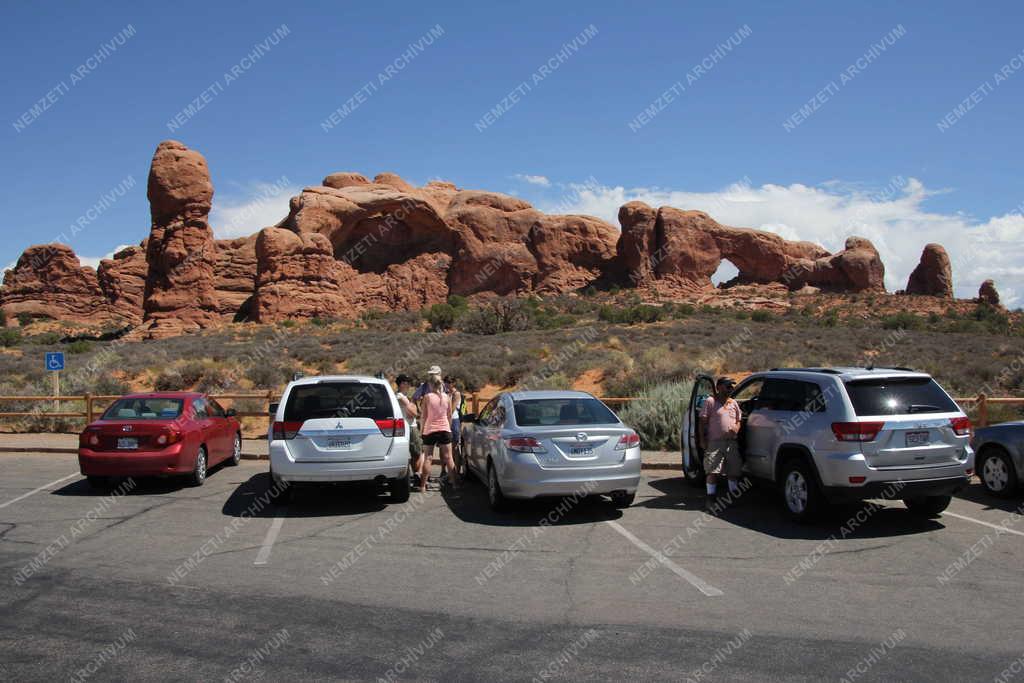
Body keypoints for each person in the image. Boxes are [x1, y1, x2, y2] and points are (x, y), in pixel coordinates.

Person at [699, 376, 743, 509]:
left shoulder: (733, 403)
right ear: (719, 387)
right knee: (712, 470)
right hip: (715, 442)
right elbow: (702, 421)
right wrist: (702, 439)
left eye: (732, 386)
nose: (731, 388)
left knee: (733, 471)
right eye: (728, 386)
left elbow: (738, 420)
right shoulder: (711, 401)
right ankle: (711, 499)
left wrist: (736, 428)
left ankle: (732, 498)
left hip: (731, 443)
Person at [416, 368, 458, 494]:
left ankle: (423, 486)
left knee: (428, 458)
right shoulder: (447, 397)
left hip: (430, 430)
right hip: (444, 429)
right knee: (449, 458)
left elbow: (424, 415)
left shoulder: (427, 397)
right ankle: (455, 484)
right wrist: (448, 427)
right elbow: (449, 415)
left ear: (430, 384)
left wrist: (422, 430)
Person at [395, 374, 421, 488]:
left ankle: (416, 475)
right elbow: (414, 412)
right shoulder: (400, 396)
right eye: (406, 383)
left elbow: (413, 410)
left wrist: (413, 408)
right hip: (408, 427)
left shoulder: (405, 396)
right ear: (401, 384)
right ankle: (415, 475)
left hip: (410, 425)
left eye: (409, 383)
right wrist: (413, 408)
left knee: (416, 453)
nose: (408, 385)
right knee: (416, 452)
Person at [444, 375, 464, 474]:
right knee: (447, 448)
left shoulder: (456, 394)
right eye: (446, 382)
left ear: (453, 383)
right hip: (446, 421)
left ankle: (456, 471)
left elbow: (451, 409)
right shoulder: (446, 393)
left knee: (455, 448)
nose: (447, 384)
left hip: (454, 421)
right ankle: (448, 472)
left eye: (449, 382)